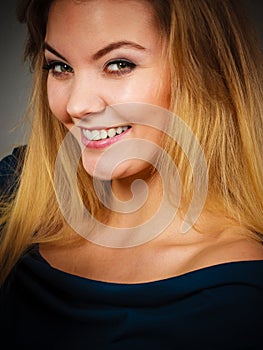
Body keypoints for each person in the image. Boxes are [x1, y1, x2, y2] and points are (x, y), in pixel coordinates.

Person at [0, 0, 263, 348]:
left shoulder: (241, 296)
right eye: (60, 66)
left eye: (119, 64)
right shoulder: (16, 191)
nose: (77, 105)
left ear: (204, 71)